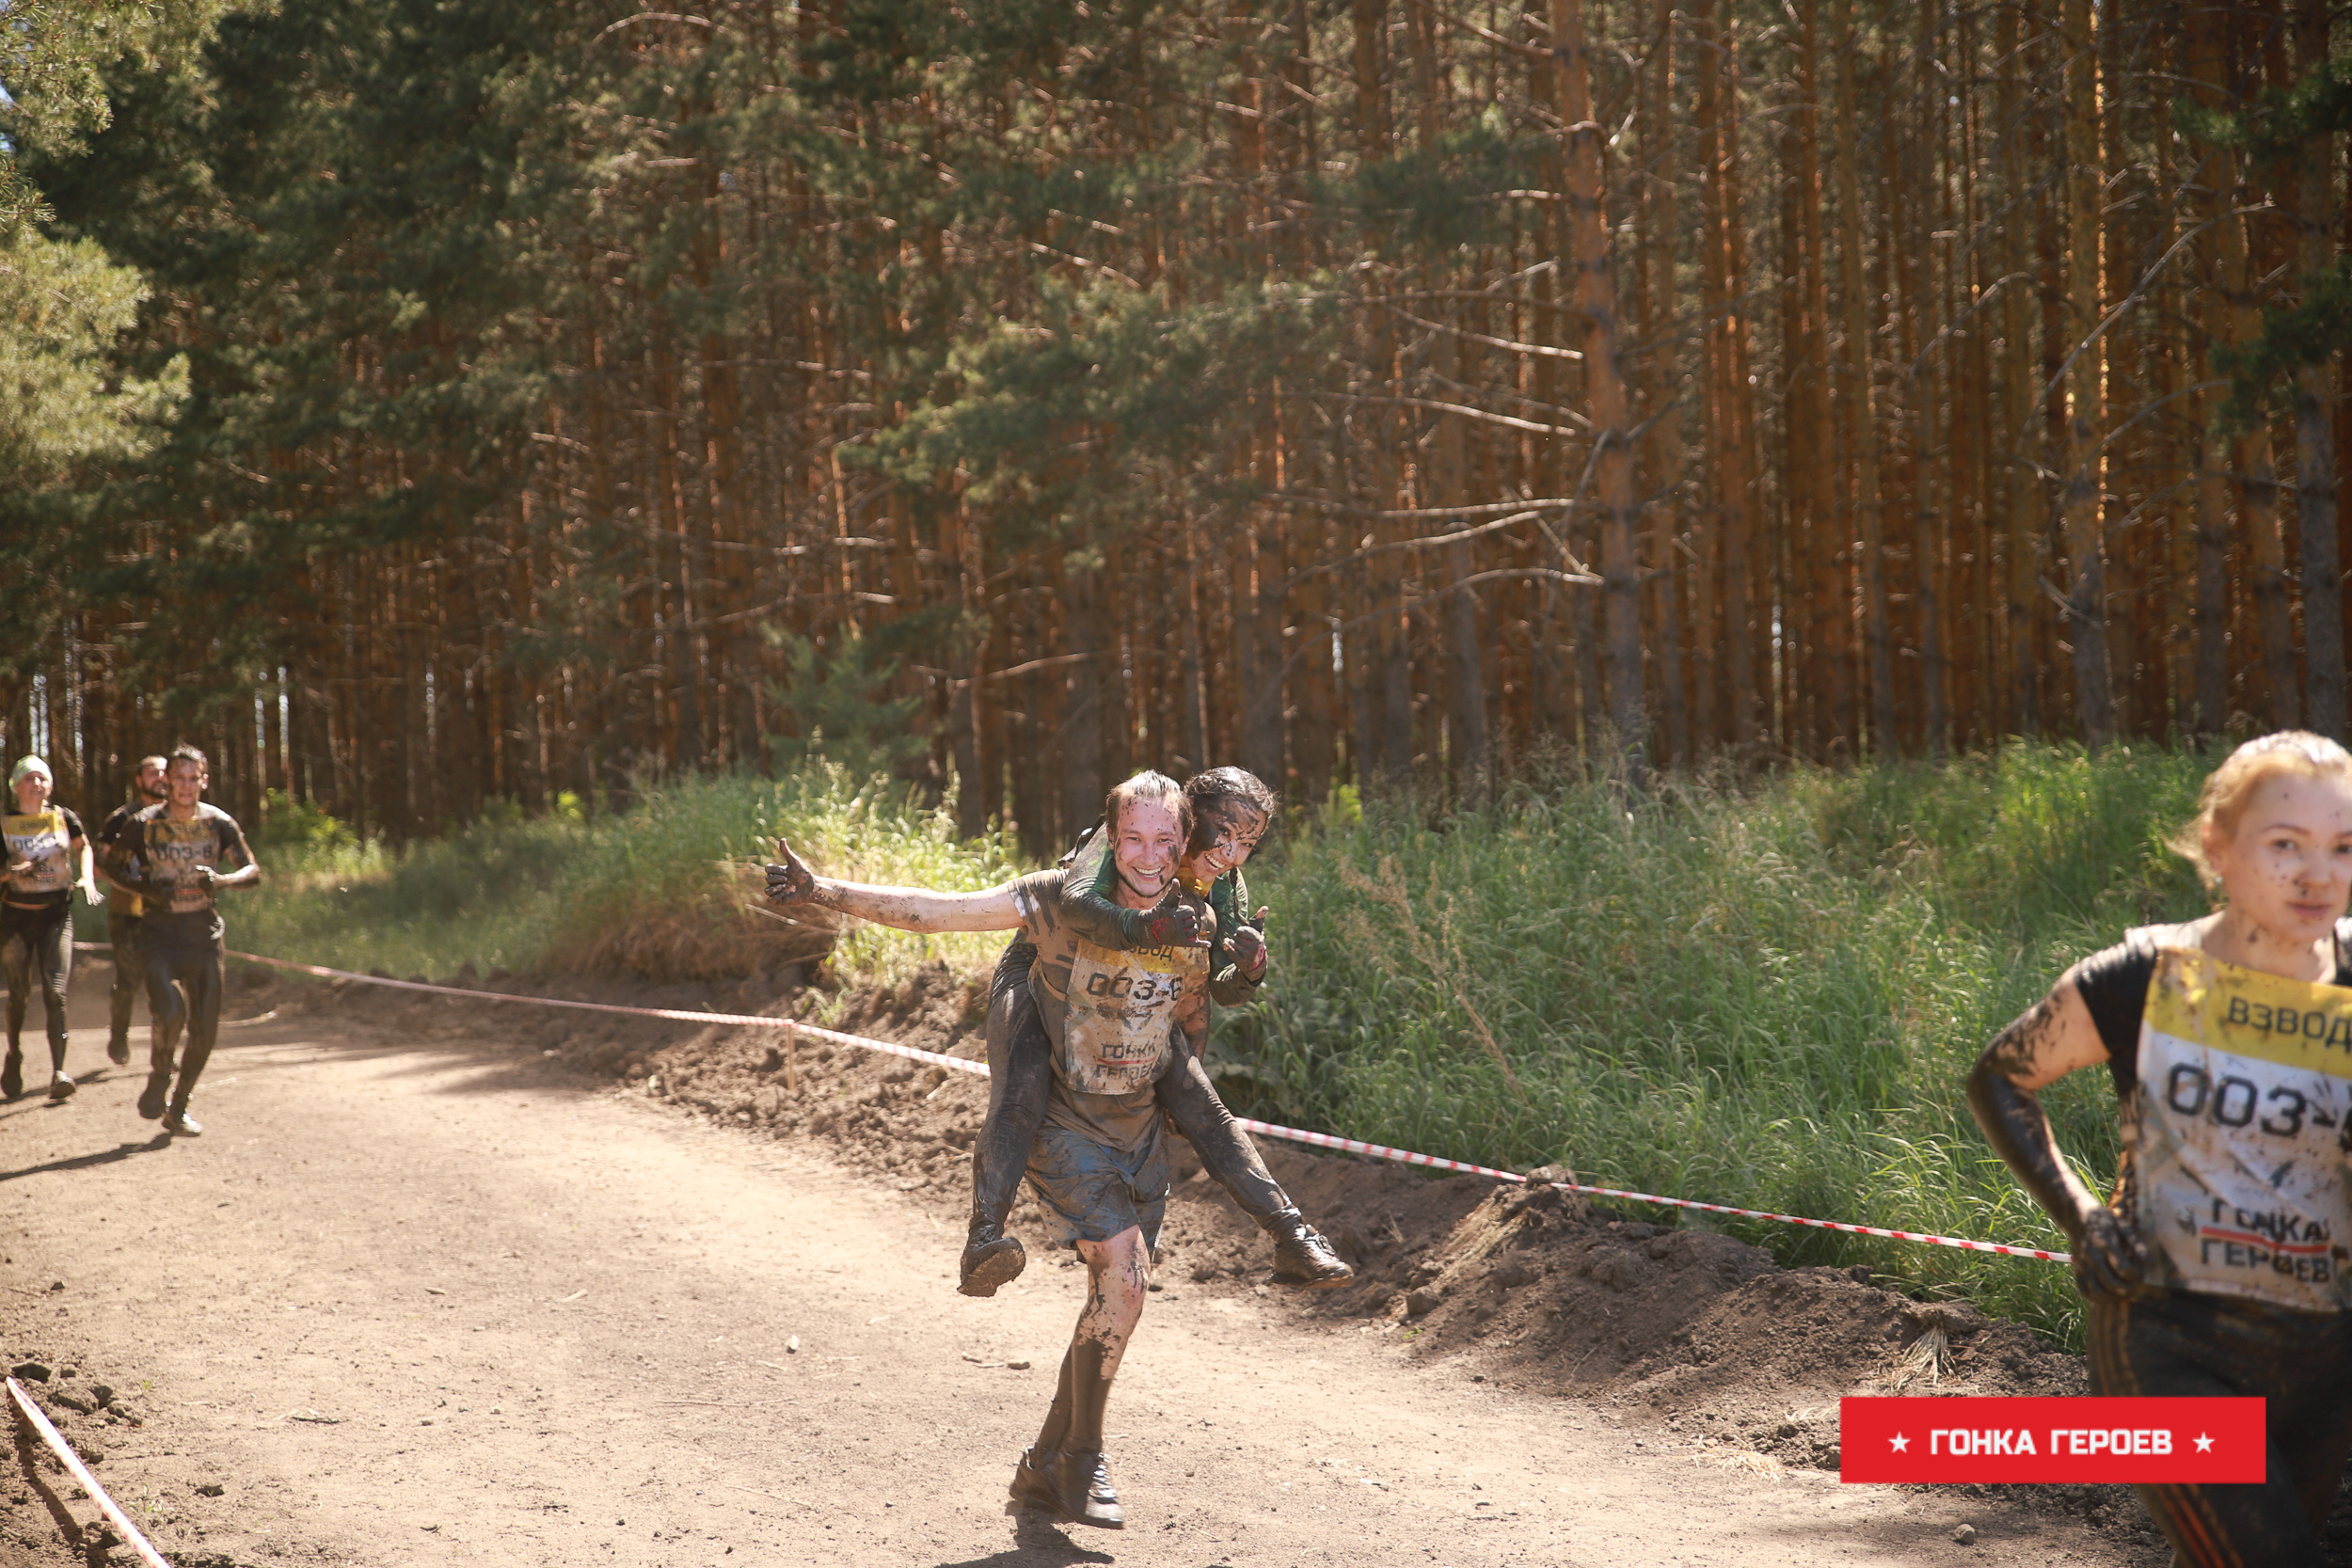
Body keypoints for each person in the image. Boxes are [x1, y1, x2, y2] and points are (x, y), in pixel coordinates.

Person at [765, 771, 1235, 1528]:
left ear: (1182, 847)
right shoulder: (1055, 896)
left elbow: (1189, 1012)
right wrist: (823, 890)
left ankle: (1040, 1471)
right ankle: (1082, 1458)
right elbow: (933, 913)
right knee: (1125, 1275)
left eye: (1164, 841)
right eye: (1134, 838)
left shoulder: (1193, 918)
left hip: (1134, 1126)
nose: (1148, 855)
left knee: (1115, 1301)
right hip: (1059, 1117)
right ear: (1110, 839)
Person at [1968, 732, 2352, 1567]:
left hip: (2324, 1358)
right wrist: (2079, 1219)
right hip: (2169, 1339)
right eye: (2285, 844)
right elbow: (1998, 1078)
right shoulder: (2145, 974)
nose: (2317, 874)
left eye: (2342, 847)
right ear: (2217, 848)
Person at [102, 745, 258, 1136]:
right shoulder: (143, 823)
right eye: (179, 778)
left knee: (205, 1029)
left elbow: (253, 869)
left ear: (204, 781)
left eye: (194, 778)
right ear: (166, 780)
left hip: (204, 934)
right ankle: (159, 1074)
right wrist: (146, 889)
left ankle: (179, 1106)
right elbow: (111, 866)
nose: (186, 786)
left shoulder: (218, 822)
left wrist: (222, 881)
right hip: (158, 935)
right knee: (171, 1013)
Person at [2, 756, 100, 1101]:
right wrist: (14, 873)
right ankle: (13, 1055)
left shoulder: (64, 818)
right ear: (16, 787)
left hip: (56, 916)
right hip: (14, 921)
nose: (36, 784)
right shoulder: (4, 824)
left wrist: (86, 876)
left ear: (51, 785)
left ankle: (59, 1071)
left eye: (42, 778)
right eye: (29, 779)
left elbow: (83, 846)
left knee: (56, 993)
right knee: (19, 996)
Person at [93, 755, 169, 1067]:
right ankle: (119, 1035)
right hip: (127, 913)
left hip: (165, 914)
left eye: (165, 772)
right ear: (139, 780)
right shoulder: (121, 818)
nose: (160, 778)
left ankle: (163, 1050)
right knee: (129, 980)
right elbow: (98, 865)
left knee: (165, 981)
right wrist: (131, 882)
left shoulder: (175, 815)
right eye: (153, 772)